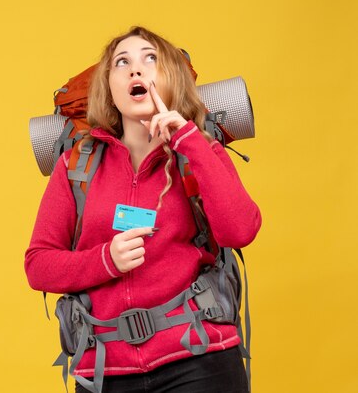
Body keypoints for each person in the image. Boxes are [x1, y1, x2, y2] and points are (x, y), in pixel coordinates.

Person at [25, 26, 262, 393]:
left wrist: (188, 139)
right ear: (110, 88)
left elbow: (240, 230)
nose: (136, 70)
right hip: (107, 371)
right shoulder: (76, 167)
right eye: (122, 62)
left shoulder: (201, 152)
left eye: (151, 59)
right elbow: (38, 265)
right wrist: (106, 260)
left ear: (172, 80)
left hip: (199, 358)